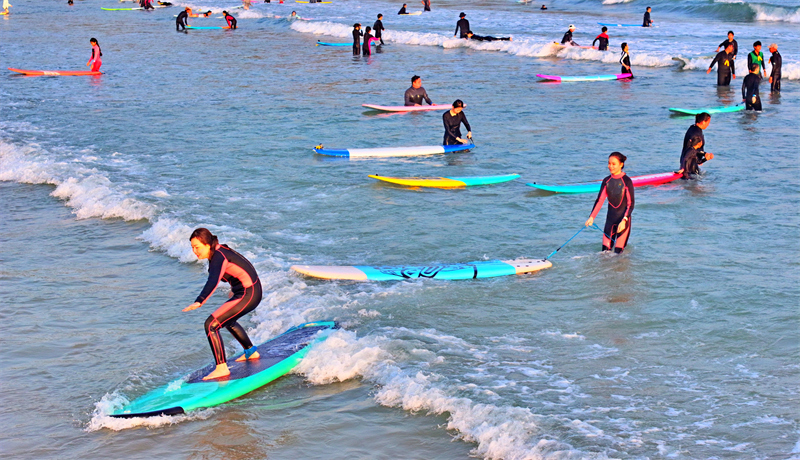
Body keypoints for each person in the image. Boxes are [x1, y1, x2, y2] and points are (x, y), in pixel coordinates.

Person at [183, 228, 263, 381]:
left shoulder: (218, 257)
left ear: (207, 245)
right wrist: (235, 289)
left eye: (197, 247)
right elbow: (240, 268)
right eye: (192, 247)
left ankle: (221, 368)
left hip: (249, 293)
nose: (194, 251)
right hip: (248, 291)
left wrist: (200, 300)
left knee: (211, 325)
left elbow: (213, 281)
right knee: (228, 320)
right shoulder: (218, 252)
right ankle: (251, 351)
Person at [584, 152, 634, 254]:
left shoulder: (626, 181)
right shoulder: (607, 181)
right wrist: (591, 217)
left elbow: (630, 204)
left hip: (623, 222)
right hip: (610, 221)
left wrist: (624, 220)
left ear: (621, 164)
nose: (610, 166)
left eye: (613, 164)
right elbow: (600, 200)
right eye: (609, 163)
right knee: (604, 254)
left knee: (619, 255)